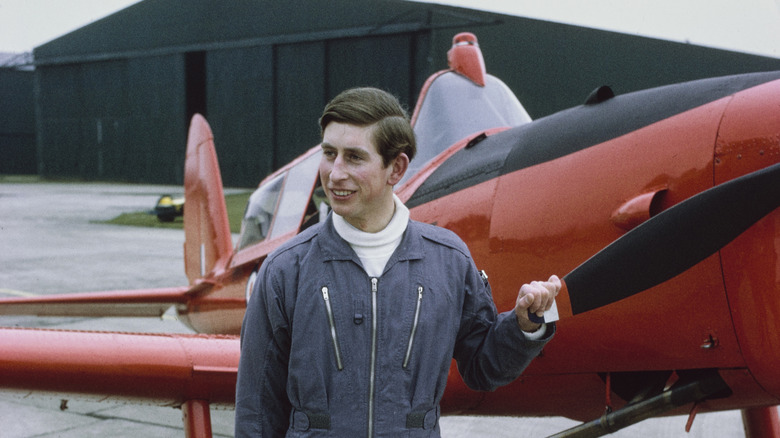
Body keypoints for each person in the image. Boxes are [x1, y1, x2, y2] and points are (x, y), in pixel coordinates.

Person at [235, 87, 560, 437]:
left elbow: (483, 367)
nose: (334, 173)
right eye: (329, 154)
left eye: (354, 158)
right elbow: (257, 407)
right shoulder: (286, 269)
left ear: (396, 168)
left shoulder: (448, 260)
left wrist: (526, 326)